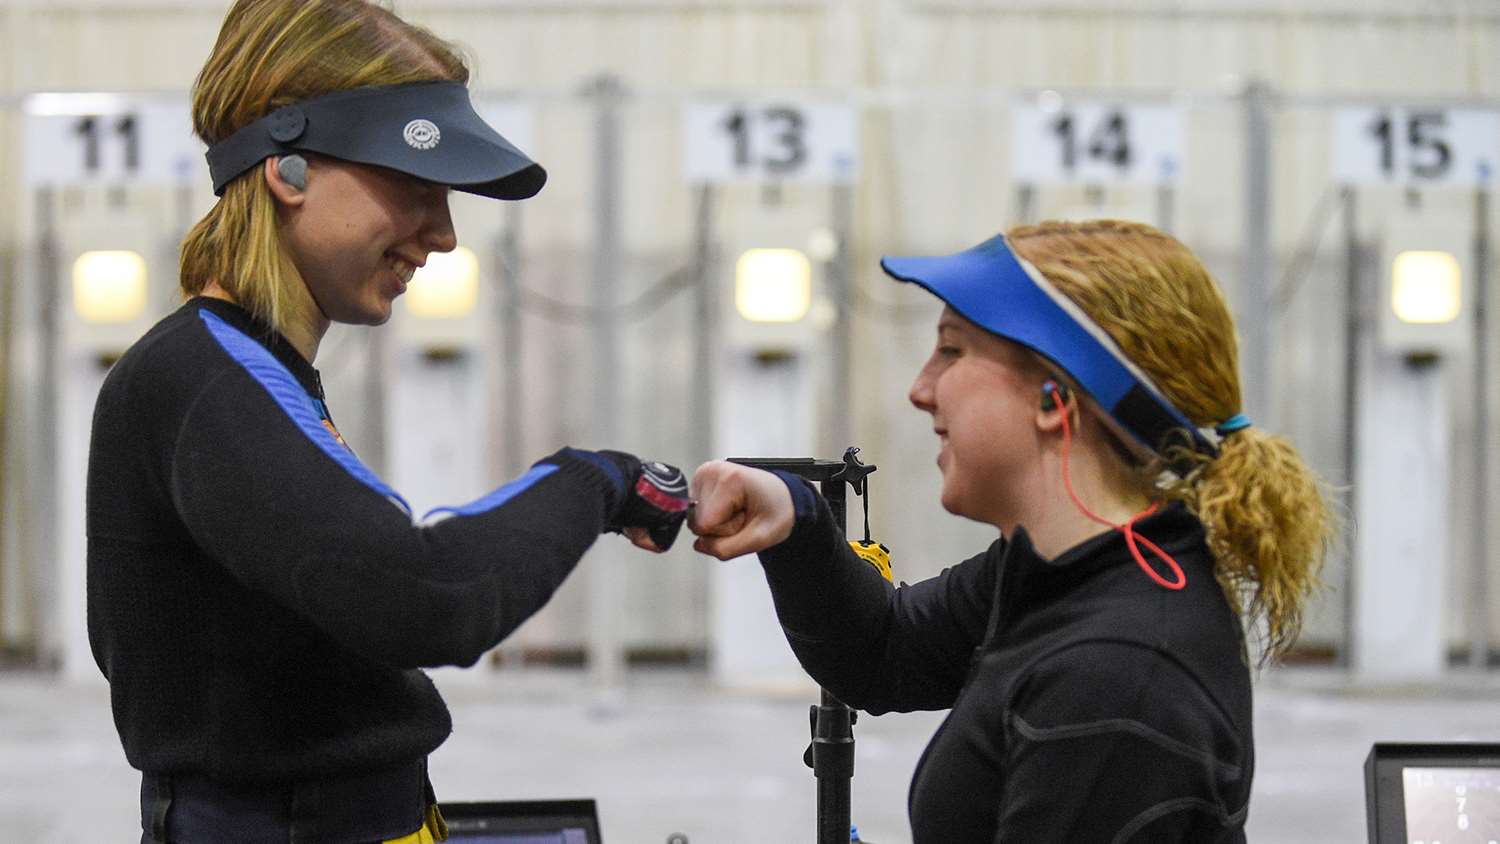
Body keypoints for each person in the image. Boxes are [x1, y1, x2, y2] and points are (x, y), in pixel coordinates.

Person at [85, 2, 688, 842]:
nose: (441, 234)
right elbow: (427, 595)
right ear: (286, 170)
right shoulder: (201, 381)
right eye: (414, 186)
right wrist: (599, 479)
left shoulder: (253, 374)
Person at [689, 220, 1334, 842]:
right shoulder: (1064, 573)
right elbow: (884, 652)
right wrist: (796, 521)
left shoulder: (1115, 675)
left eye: (952, 350)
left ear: (1055, 400)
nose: (920, 389)